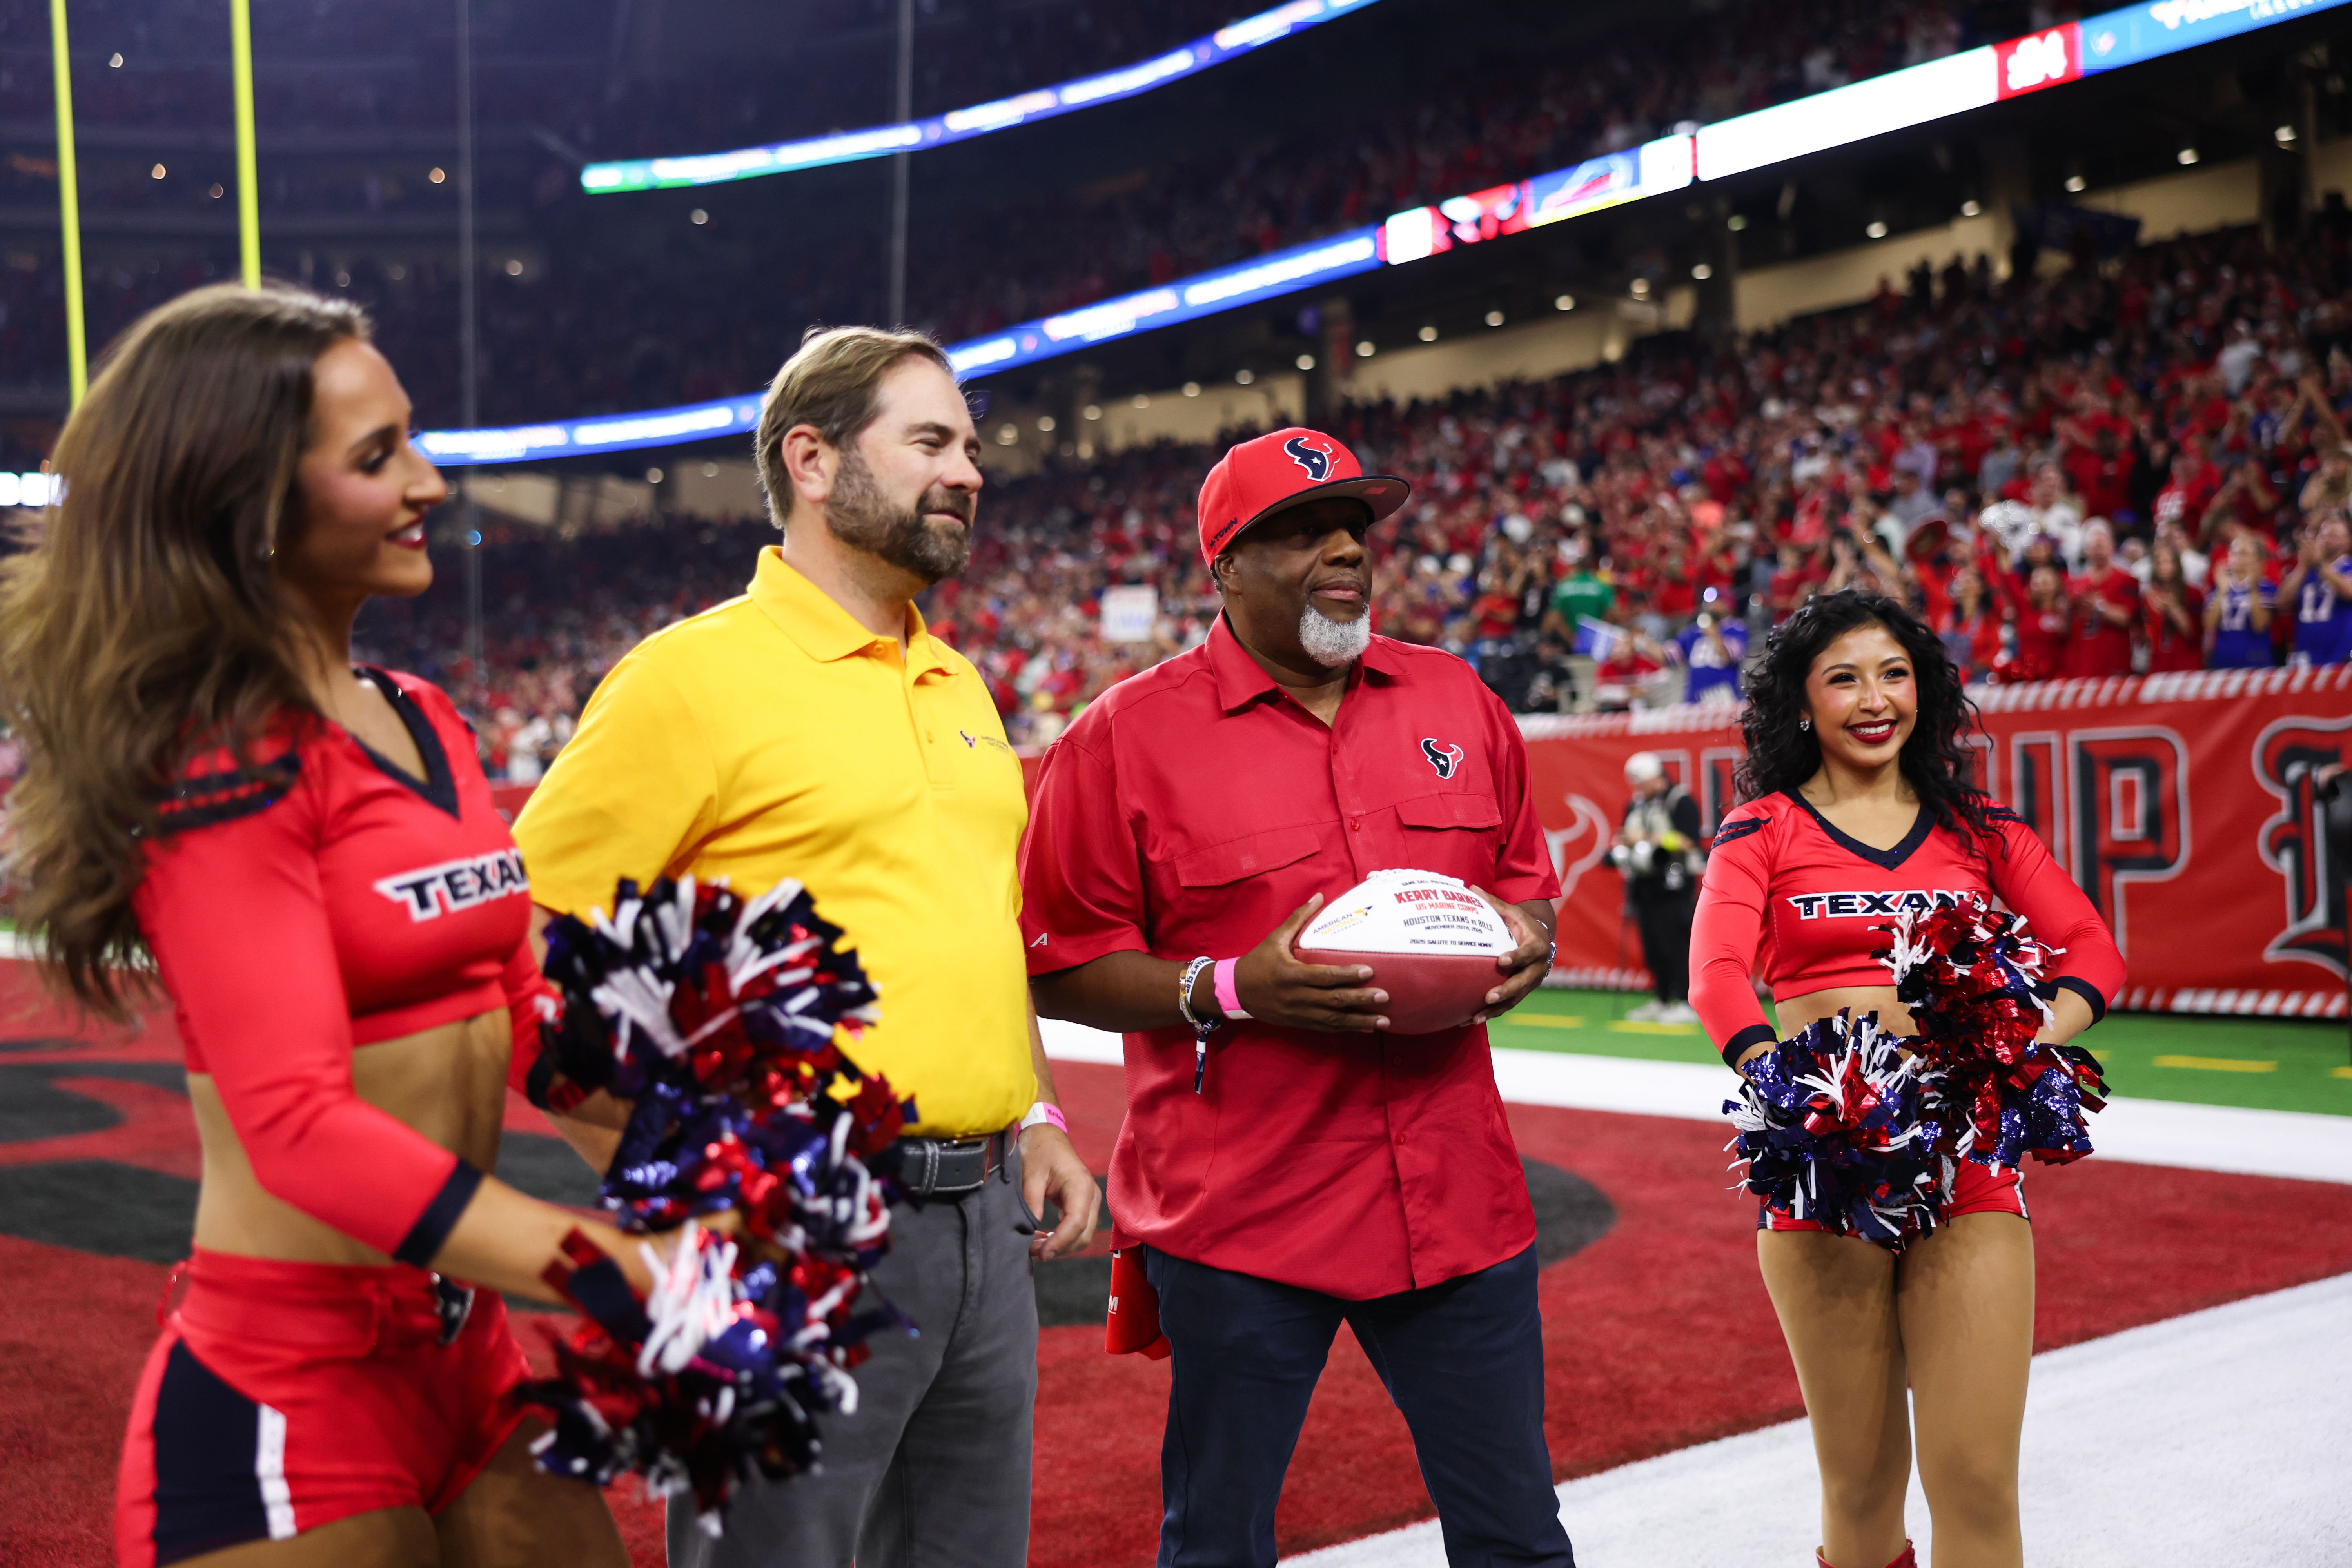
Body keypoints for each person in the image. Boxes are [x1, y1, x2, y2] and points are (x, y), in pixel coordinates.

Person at [0, 285, 646, 1567]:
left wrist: (737, 1155)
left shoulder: (427, 717)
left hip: (467, 1351)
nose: (432, 482)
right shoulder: (217, 765)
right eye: (376, 457)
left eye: (412, 437)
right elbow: (294, 1126)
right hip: (290, 1391)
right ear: (252, 509)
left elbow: (519, 1018)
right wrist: (604, 1264)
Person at [510, 326, 1101, 1568]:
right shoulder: (687, 679)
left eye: (973, 446)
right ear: (815, 460)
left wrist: (1037, 1109)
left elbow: (968, 928)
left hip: (986, 1223)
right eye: (931, 440)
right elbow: (523, 940)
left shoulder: (959, 682)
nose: (970, 471)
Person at [1020, 426, 1573, 1568]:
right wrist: (1230, 986)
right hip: (1240, 1219)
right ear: (1220, 563)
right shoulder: (1123, 736)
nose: (1343, 550)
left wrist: (1524, 942)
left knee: (1516, 1538)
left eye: (1355, 529)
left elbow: (1522, 888)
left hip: (1455, 1202)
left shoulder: (1455, 696)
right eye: (1298, 530)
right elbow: (1055, 961)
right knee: (1216, 1542)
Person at [1688, 590, 2123, 1568]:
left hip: (1968, 1154)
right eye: (1842, 677)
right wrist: (1785, 1081)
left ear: (1923, 689)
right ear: (1802, 703)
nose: (1873, 697)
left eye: (1893, 673)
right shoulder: (1760, 827)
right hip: (1827, 1162)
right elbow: (1714, 973)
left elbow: (2091, 945)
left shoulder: (1980, 827)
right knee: (1861, 1484)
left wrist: (2030, 1035)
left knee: (1975, 1477)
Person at [1612, 752, 1704, 1025]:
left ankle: (1688, 1002)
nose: (1637, 789)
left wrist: (1652, 839)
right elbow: (1624, 834)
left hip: (1674, 885)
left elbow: (1689, 841)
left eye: (1641, 782)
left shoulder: (1681, 800)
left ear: (1656, 777)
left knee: (1676, 944)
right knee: (1652, 945)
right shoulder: (1636, 804)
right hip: (1644, 883)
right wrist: (1626, 842)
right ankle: (1663, 998)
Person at [2062, 519, 2139, 679]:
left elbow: (2126, 618)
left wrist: (2099, 607)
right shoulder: (2074, 583)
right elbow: (2065, 626)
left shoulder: (2126, 579)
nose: (2098, 552)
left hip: (2114, 662)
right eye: (2094, 547)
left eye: (2102, 546)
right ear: (2086, 551)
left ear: (2112, 547)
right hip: (2081, 662)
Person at [2285, 513, 2352, 667]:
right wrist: (2302, 567)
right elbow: (2282, 600)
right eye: (2323, 534)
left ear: (2348, 542)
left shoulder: (2348, 566)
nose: (2326, 539)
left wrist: (2321, 565)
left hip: (2340, 655)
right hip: (2306, 656)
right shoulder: (2307, 570)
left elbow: (2349, 592)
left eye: (2334, 535)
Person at [2206, 531, 2279, 669]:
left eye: (2244, 553)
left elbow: (2260, 625)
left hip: (2255, 660)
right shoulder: (2219, 587)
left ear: (2257, 559)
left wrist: (2252, 588)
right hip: (2223, 660)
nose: (2237, 557)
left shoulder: (2267, 588)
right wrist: (2222, 592)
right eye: (2234, 552)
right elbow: (2209, 624)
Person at [2141, 539, 2207, 673]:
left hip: (2187, 663)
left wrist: (2173, 608)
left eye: (2169, 562)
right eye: (2160, 562)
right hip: (2158, 665)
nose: (2165, 567)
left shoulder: (2193, 593)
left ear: (2177, 565)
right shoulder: (2148, 596)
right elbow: (2145, 638)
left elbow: (2193, 633)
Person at [1677, 588, 1749, 704]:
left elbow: (1727, 657)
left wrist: (1712, 632)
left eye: (1716, 602)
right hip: (1695, 698)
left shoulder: (1736, 628)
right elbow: (1668, 656)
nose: (1710, 606)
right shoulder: (1693, 631)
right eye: (1708, 602)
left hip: (1723, 695)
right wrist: (1642, 641)